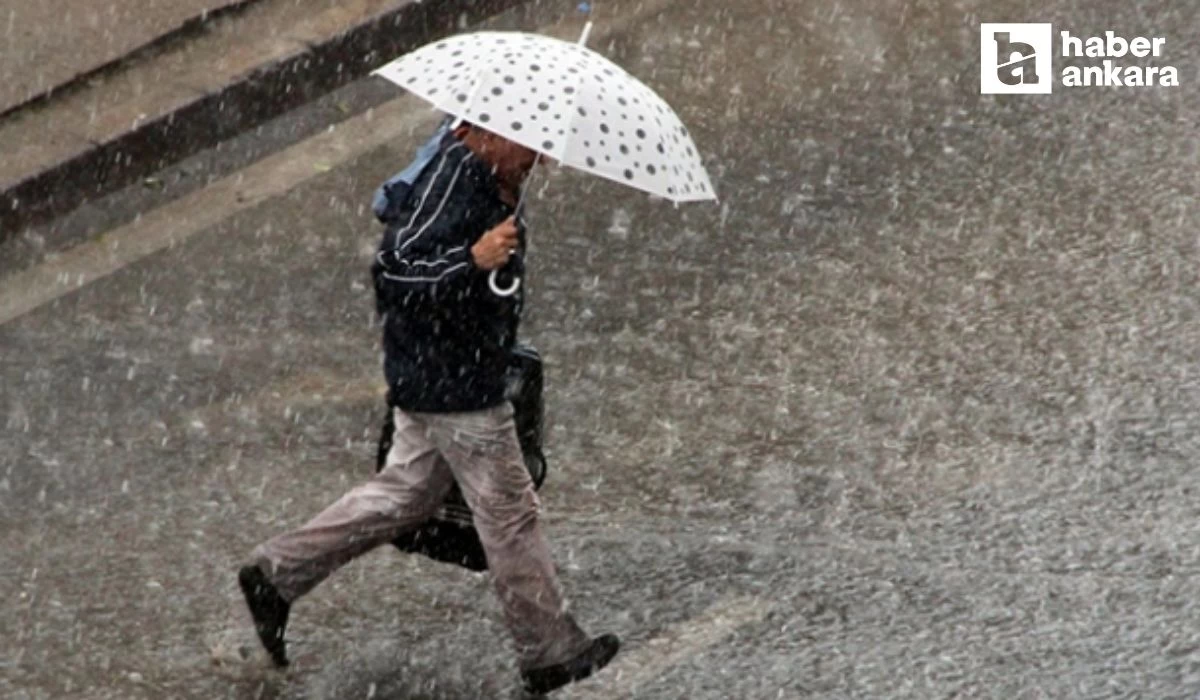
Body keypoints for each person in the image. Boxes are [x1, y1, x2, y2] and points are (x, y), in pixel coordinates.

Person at [237, 119, 619, 695]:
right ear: (485, 130)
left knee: (405, 494)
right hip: (454, 384)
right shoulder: (452, 178)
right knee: (510, 513)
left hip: (443, 373)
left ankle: (277, 573)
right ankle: (550, 651)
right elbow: (395, 271)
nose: (541, 159)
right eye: (531, 144)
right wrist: (474, 260)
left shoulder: (479, 173)